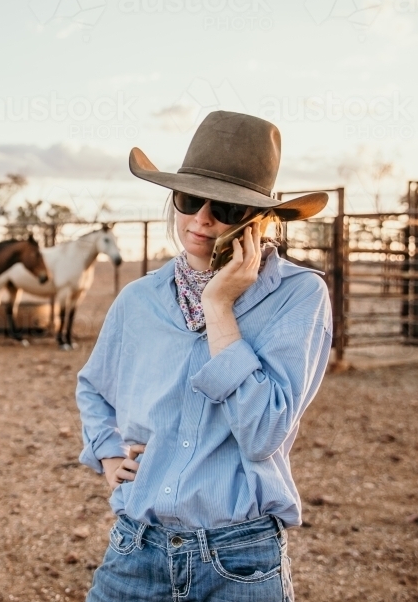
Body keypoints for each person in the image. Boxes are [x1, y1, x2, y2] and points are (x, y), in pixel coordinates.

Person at [77, 111, 332, 601]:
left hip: (240, 558)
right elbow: (93, 387)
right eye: (189, 198)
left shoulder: (300, 297)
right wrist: (106, 452)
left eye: (229, 208)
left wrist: (219, 307)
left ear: (261, 220)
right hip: (137, 548)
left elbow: (263, 434)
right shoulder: (139, 299)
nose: (202, 219)